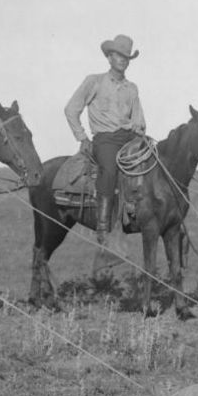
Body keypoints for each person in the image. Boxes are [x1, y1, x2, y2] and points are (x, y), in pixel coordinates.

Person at [63, 34, 146, 245]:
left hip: (129, 137)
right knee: (109, 169)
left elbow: (139, 120)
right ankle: (102, 226)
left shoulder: (132, 88)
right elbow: (71, 109)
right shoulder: (95, 81)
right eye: (119, 56)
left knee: (149, 164)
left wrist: (139, 130)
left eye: (127, 57)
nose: (123, 60)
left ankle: (139, 214)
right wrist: (81, 137)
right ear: (109, 57)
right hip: (106, 138)